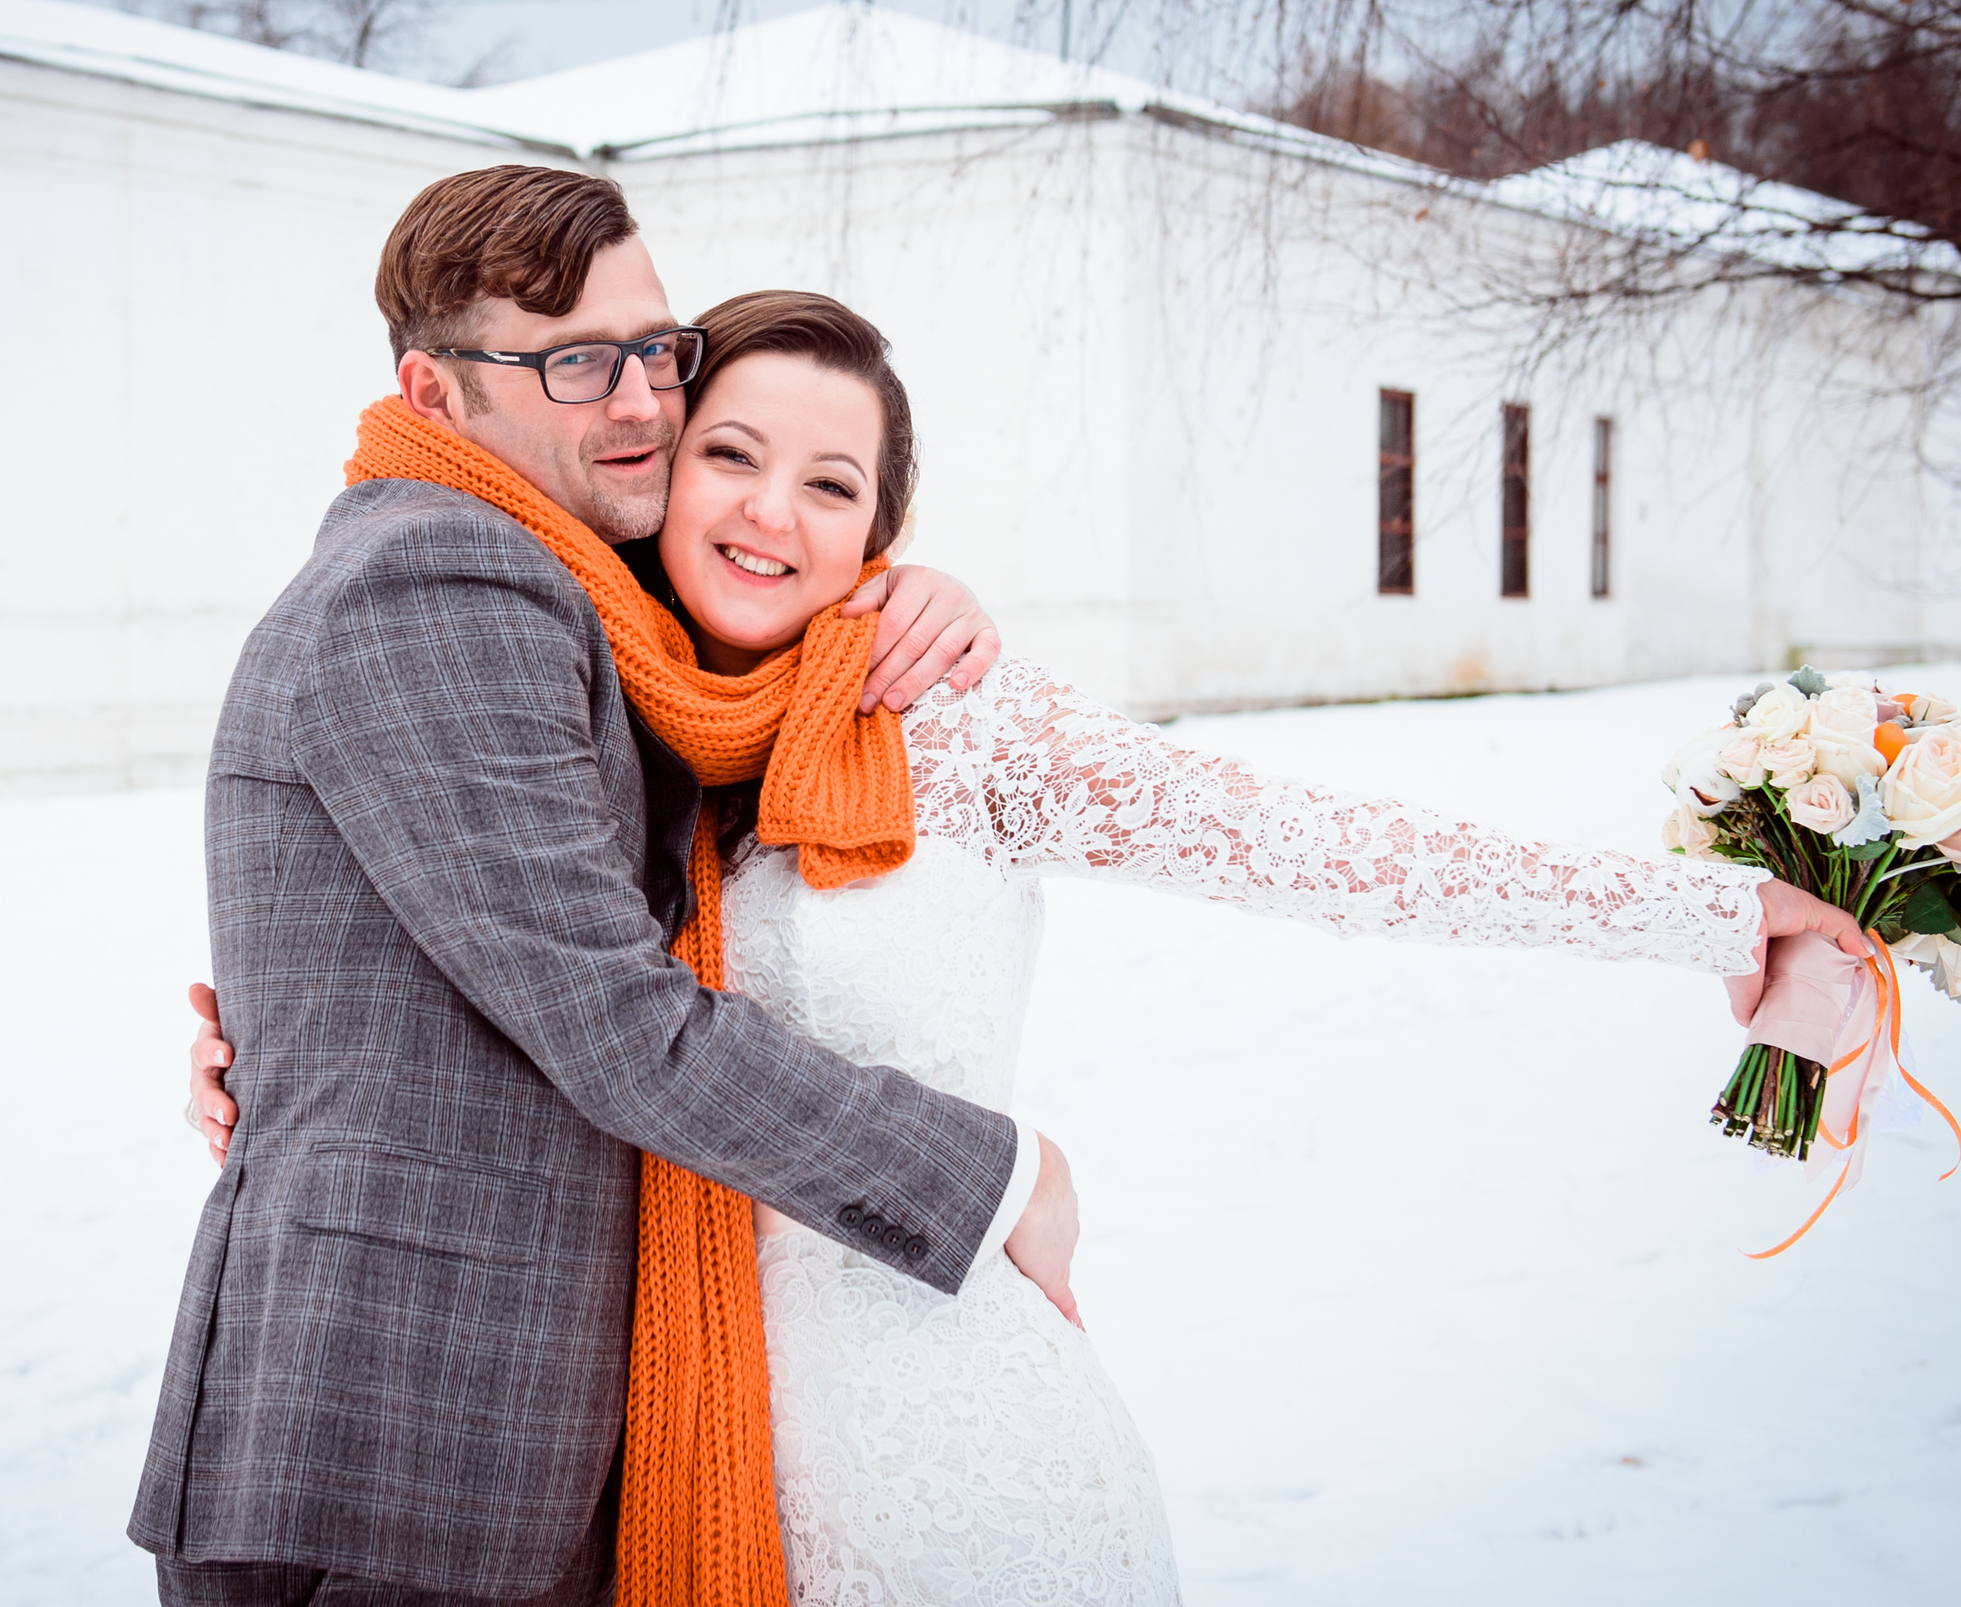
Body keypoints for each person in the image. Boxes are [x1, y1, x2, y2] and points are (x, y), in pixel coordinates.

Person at [186, 284, 1874, 1601]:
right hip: (705, 1469)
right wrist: (263, 1056)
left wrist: (1719, 911)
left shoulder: (959, 722)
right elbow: (524, 982)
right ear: (659, 475)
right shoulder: (640, 744)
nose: (770, 510)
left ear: (879, 536)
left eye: (829, 483)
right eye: (731, 454)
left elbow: (1326, 848)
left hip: (955, 1447)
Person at [129, 166, 1085, 1607]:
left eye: (656, 346)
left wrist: (891, 592)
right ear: (436, 390)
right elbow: (616, 1017)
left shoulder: (587, 591)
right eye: (574, 360)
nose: (639, 398)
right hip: (405, 1440)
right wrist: (990, 1173)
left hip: (491, 1437)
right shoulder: (442, 576)